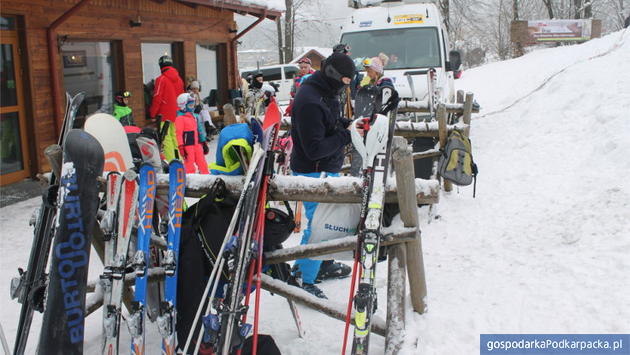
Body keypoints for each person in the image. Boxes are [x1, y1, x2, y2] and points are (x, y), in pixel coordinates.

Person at [289, 52, 358, 299]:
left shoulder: (326, 92)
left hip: (326, 168)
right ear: (332, 76)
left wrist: (345, 124)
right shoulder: (309, 100)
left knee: (324, 224)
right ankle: (304, 278)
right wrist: (345, 135)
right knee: (320, 227)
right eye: (343, 82)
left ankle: (312, 264)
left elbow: (329, 121)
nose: (343, 88)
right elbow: (314, 147)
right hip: (312, 171)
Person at [150, 55, 184, 161]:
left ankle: (171, 162)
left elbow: (157, 97)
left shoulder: (161, 79)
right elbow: (181, 95)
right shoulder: (179, 79)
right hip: (175, 112)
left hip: (164, 113)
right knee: (174, 137)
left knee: (166, 138)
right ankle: (179, 161)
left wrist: (152, 113)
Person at [175, 93, 209, 174]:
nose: (192, 108)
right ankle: (190, 179)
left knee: (202, 162)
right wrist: (181, 146)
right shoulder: (180, 118)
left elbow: (199, 130)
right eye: (190, 106)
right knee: (189, 164)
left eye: (193, 105)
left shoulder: (194, 116)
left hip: (197, 144)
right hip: (188, 145)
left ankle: (206, 177)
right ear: (183, 106)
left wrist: (203, 142)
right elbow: (179, 134)